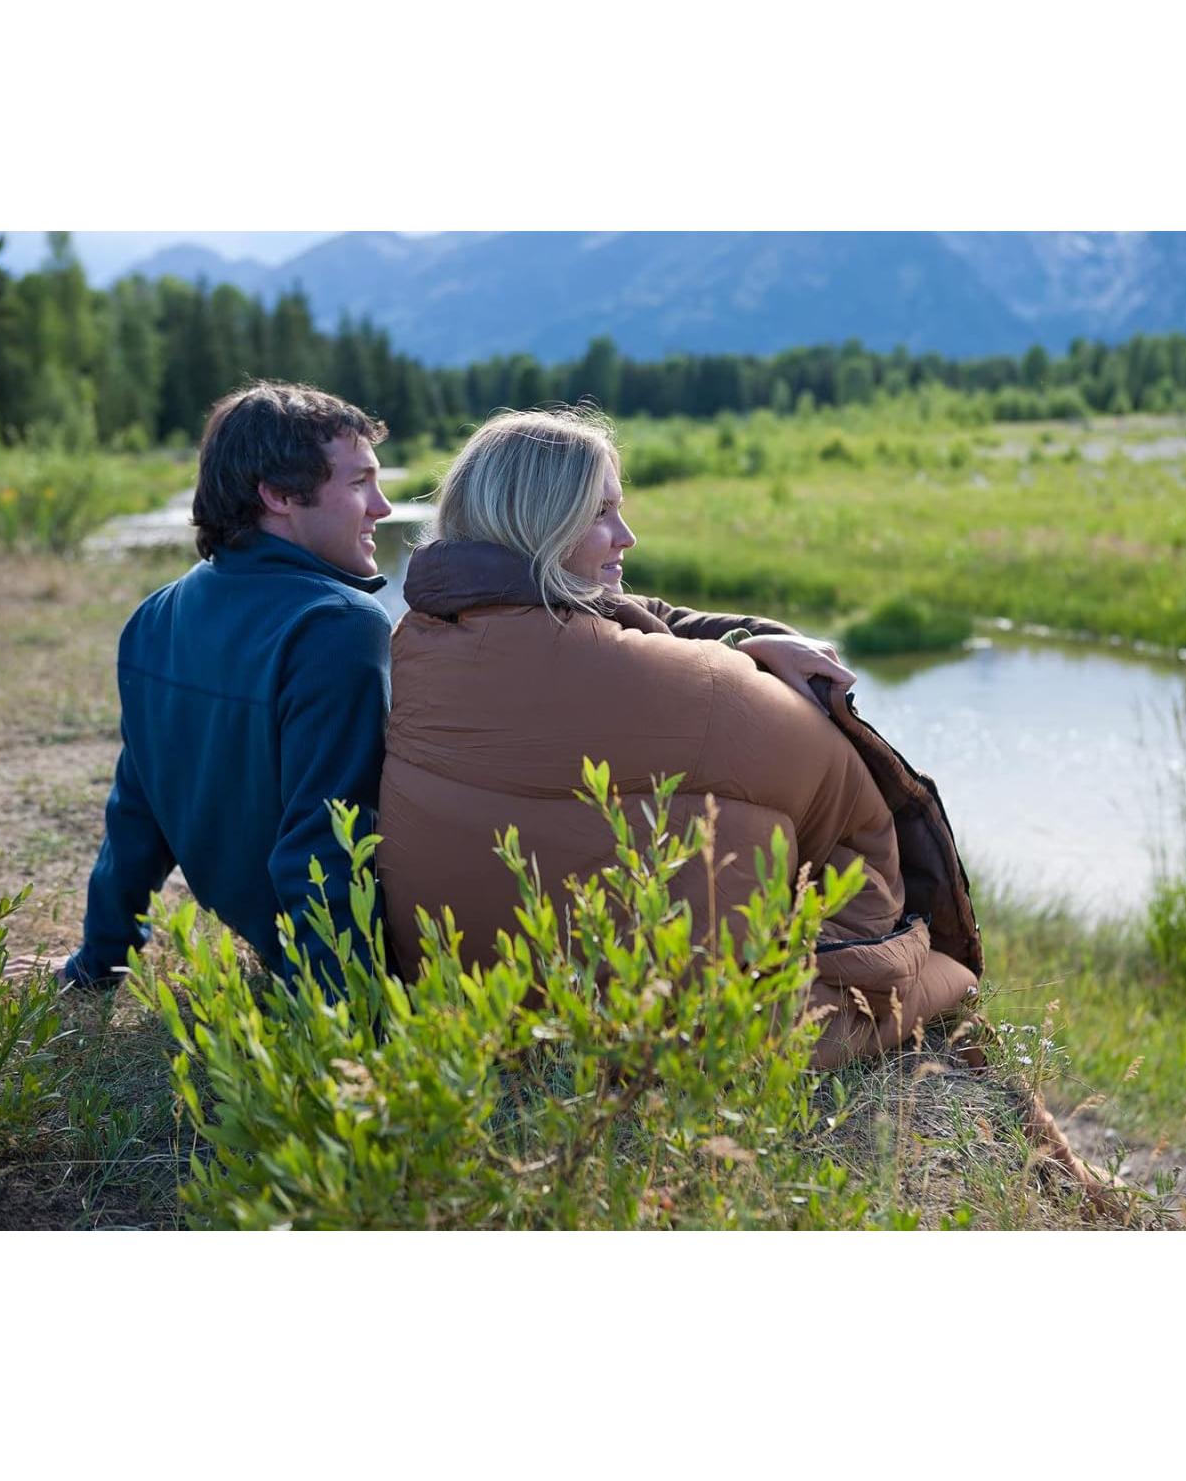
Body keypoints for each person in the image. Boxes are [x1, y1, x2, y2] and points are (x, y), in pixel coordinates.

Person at [378, 407, 980, 1066]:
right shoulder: (682, 686)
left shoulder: (420, 639)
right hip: (663, 1037)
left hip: (479, 1009)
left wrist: (740, 641)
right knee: (945, 974)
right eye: (600, 512)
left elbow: (643, 619)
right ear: (539, 524)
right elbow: (853, 805)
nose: (625, 536)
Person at [13, 380, 397, 995]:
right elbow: (326, 839)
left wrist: (99, 959)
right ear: (276, 495)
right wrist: (344, 1021)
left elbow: (135, 813)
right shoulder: (336, 626)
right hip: (345, 966)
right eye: (358, 484)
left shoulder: (156, 615)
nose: (381, 506)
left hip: (272, 937)